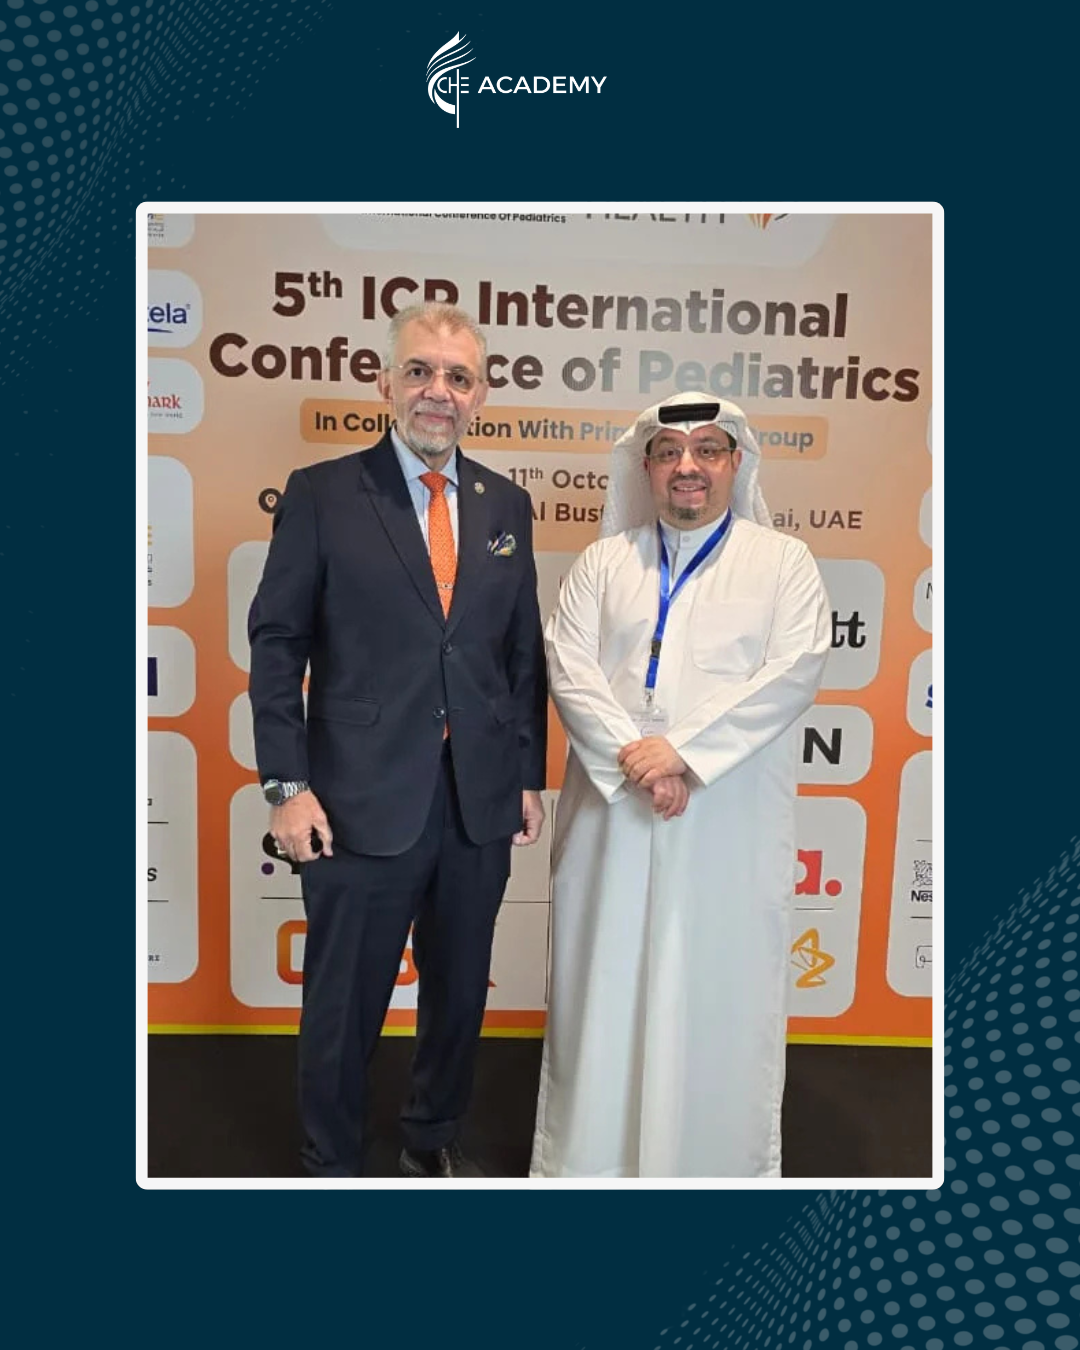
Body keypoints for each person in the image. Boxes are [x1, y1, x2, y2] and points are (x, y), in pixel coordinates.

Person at [248, 302, 547, 1178]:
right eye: (420, 371)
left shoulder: (506, 505)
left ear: (480, 395)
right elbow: (278, 645)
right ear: (385, 382)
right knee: (344, 1006)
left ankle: (430, 1139)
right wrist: (286, 785)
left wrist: (525, 773)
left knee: (458, 998)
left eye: (458, 376)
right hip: (355, 801)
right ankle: (332, 1162)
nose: (438, 391)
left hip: (476, 803)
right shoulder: (322, 494)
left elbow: (518, 653)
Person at [530, 391, 831, 1178]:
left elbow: (793, 670)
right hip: (614, 817)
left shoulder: (784, 563)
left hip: (725, 821)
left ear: (736, 462)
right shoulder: (604, 563)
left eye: (707, 449)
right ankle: (589, 1170)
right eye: (669, 451)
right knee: (604, 988)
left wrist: (685, 756)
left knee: (717, 990)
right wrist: (641, 761)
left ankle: (714, 1169)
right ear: (647, 468)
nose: (687, 466)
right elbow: (569, 665)